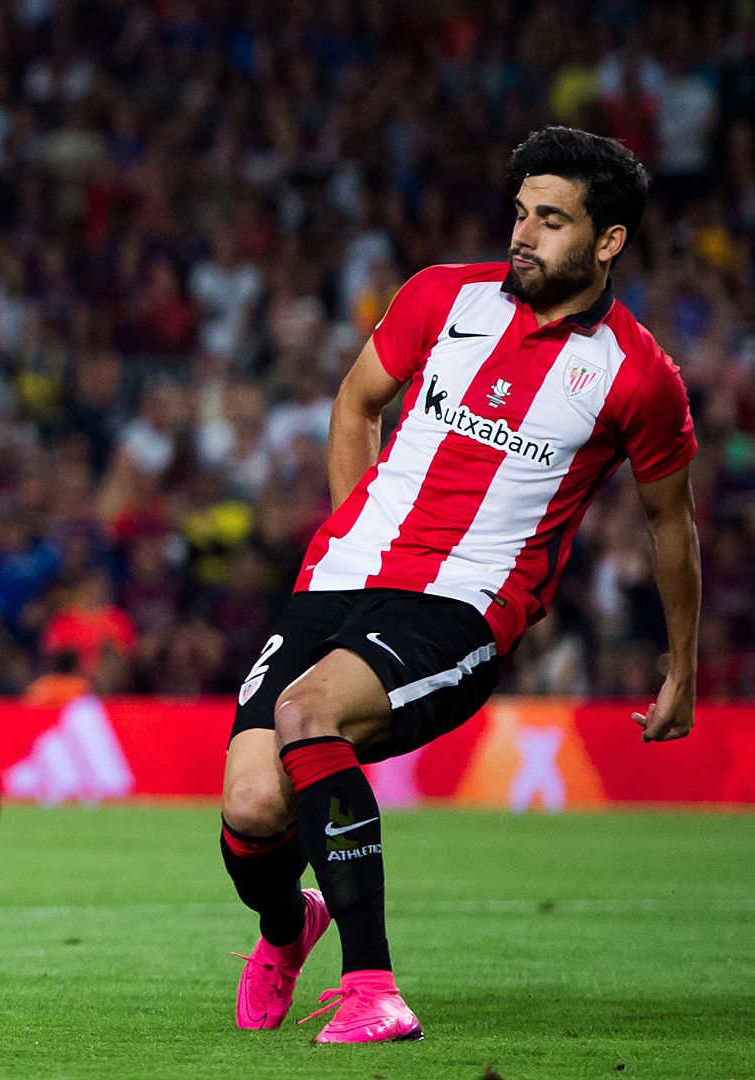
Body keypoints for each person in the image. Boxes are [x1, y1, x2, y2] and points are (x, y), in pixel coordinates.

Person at [218, 127, 700, 1043]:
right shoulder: (443, 296)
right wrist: (355, 527)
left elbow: (670, 523)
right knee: (250, 807)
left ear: (608, 242)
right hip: (342, 579)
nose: (524, 234)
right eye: (520, 212)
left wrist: (681, 664)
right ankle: (291, 926)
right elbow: (357, 401)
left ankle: (374, 990)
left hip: (463, 606)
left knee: (310, 714)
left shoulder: (637, 377)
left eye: (552, 220)